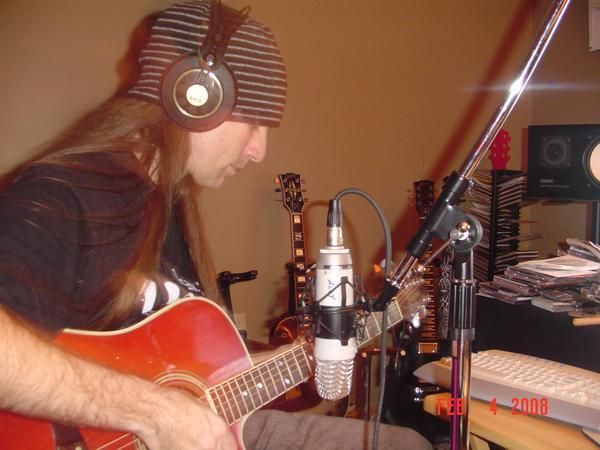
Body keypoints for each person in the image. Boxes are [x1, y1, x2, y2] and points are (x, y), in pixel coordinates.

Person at [0, 1, 433, 449]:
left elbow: (198, 377)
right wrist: (157, 412)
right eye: (255, 122)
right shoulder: (68, 195)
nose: (259, 151)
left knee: (406, 445)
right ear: (195, 96)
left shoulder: (168, 205)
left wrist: (311, 354)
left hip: (204, 426)